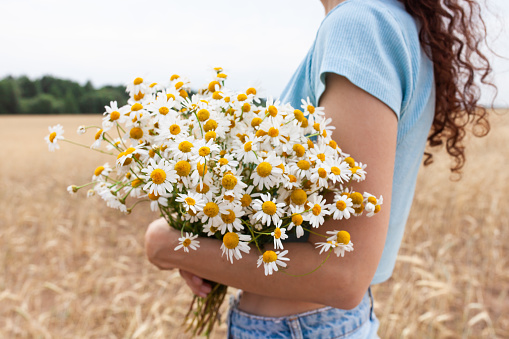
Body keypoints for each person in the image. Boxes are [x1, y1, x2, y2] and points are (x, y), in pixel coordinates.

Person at [144, 0, 494, 337]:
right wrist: (210, 249)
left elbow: (342, 275)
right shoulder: (392, 21)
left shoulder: (360, 25)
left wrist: (169, 243)